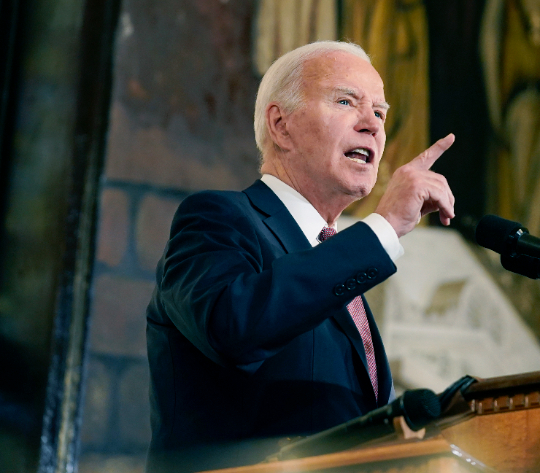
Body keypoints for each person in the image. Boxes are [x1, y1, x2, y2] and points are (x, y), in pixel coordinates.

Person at [145, 40, 455, 472]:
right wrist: (382, 227)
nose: (372, 125)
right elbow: (232, 326)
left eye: (380, 113)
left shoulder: (334, 259)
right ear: (281, 125)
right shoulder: (218, 219)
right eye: (346, 101)